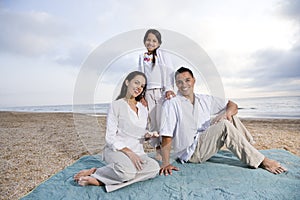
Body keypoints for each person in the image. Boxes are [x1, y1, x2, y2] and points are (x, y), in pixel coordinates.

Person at [159, 66, 287, 176]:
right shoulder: (172, 103)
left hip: (203, 141)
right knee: (224, 125)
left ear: (194, 81)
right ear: (176, 84)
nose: (184, 84)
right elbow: (167, 134)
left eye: (187, 80)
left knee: (230, 116)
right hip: (191, 152)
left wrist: (227, 113)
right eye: (180, 82)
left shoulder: (203, 99)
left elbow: (232, 104)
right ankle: (262, 161)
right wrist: (166, 163)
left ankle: (250, 150)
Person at [74, 71, 160, 192]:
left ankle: (103, 176)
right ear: (127, 82)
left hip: (138, 152)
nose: (139, 88)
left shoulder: (143, 108)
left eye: (142, 86)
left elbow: (138, 132)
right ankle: (97, 174)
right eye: (136, 82)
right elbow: (110, 137)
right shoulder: (116, 105)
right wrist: (129, 152)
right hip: (116, 150)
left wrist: (148, 135)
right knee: (127, 173)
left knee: (154, 168)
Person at [138, 29, 175, 159]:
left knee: (163, 120)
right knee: (153, 122)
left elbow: (169, 72)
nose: (151, 42)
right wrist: (141, 95)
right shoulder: (142, 57)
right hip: (148, 92)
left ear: (159, 43)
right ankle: (158, 150)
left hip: (162, 92)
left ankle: (166, 149)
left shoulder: (163, 54)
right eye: (148, 40)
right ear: (144, 41)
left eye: (154, 41)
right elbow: (140, 75)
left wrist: (169, 89)